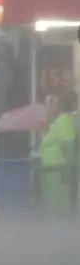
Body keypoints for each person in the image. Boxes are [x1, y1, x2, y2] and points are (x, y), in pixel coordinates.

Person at [38, 90, 78, 219]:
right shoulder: (54, 124)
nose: (47, 110)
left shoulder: (64, 120)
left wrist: (67, 171)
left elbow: (68, 147)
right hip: (49, 175)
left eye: (51, 105)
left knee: (59, 212)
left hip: (58, 175)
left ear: (59, 107)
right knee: (51, 212)